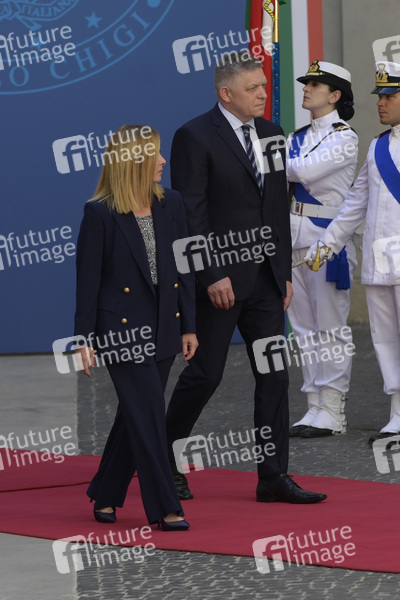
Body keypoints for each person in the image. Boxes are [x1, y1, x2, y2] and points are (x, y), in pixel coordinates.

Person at [166, 52, 327, 504]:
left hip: (266, 281)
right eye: (253, 88)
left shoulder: (272, 134)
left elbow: (275, 208)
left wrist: (282, 272)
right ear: (226, 93)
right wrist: (211, 274)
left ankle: (273, 476)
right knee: (205, 375)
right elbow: (191, 213)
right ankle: (163, 458)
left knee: (274, 377)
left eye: (263, 86)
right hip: (220, 282)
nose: (262, 94)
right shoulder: (194, 136)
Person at [74, 124, 198, 530]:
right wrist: (83, 339)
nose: (163, 161)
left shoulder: (171, 202)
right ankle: (165, 506)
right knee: (148, 414)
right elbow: (88, 281)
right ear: (133, 162)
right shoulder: (100, 212)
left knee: (136, 414)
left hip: (164, 325)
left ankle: (106, 493)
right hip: (121, 332)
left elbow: (183, 268)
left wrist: (189, 325)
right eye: (155, 154)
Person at [305, 60, 400, 445]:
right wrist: (325, 246)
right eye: (380, 96)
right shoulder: (378, 146)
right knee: (385, 339)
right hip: (379, 264)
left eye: (390, 96)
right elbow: (354, 205)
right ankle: (397, 411)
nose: (381, 102)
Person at [286, 61, 359, 438]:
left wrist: (279, 163)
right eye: (306, 83)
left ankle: (333, 409)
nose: (306, 88)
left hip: (326, 239)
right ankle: (314, 406)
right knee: (303, 327)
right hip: (294, 236)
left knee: (330, 327)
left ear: (335, 95)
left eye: (315, 85)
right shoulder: (297, 136)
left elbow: (303, 173)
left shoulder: (344, 137)